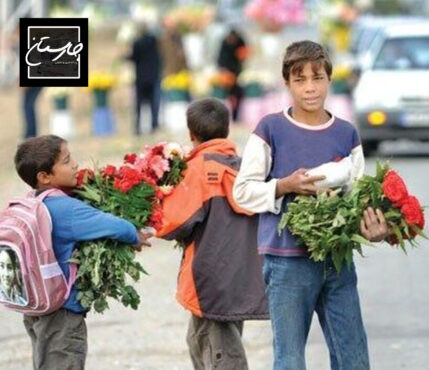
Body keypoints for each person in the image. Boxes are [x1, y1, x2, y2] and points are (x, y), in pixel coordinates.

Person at [233, 40, 390, 370]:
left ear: (330, 80)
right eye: (300, 79)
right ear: (287, 84)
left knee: (354, 357)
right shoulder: (271, 129)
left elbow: (357, 197)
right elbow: (242, 192)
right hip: (287, 263)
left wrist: (377, 229)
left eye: (317, 78)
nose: (310, 88)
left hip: (338, 260)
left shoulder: (346, 134)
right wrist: (285, 185)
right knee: (289, 359)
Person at [14, 135, 151, 370]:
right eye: (67, 161)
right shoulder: (66, 209)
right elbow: (115, 225)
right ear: (44, 176)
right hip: (62, 312)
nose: (75, 165)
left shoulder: (31, 202)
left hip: (36, 306)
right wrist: (135, 235)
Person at [156, 98, 269, 370]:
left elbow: (171, 223)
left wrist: (160, 194)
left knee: (221, 355)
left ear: (191, 134)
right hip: (239, 278)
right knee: (205, 341)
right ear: (226, 130)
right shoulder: (243, 169)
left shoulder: (198, 171)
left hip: (209, 281)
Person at [127, 23, 162, 135]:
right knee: (153, 103)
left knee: (139, 104)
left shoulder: (137, 42)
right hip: (153, 76)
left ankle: (138, 127)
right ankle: (154, 125)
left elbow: (134, 57)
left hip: (141, 77)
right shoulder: (154, 41)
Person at [217, 29, 248, 121]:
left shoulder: (240, 43)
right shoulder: (224, 44)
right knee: (227, 97)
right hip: (226, 74)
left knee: (238, 96)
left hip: (238, 73)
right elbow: (220, 59)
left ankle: (235, 116)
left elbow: (243, 56)